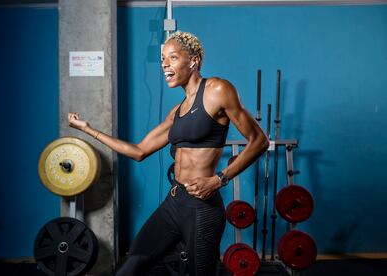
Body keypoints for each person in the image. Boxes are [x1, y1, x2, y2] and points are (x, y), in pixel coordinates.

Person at [68, 31, 269, 276]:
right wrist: (89, 130)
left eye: (172, 57)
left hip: (202, 208)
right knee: (130, 268)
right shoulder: (177, 112)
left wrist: (219, 179)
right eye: (163, 58)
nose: (164, 64)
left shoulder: (217, 90)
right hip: (174, 202)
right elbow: (139, 151)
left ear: (193, 61)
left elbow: (259, 141)